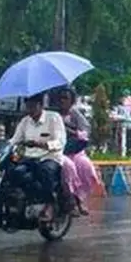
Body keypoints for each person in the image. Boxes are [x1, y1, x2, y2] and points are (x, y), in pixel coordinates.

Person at [9, 93, 68, 222]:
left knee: (45, 170)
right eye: (28, 107)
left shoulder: (54, 118)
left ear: (41, 105)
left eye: (32, 107)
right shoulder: (25, 121)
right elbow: (14, 140)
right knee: (14, 171)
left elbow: (61, 141)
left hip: (50, 157)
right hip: (29, 157)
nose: (29, 110)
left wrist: (44, 145)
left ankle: (49, 204)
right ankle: (22, 201)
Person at [58, 88, 98, 216]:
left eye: (65, 98)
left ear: (72, 101)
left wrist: (72, 132)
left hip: (74, 150)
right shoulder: (53, 115)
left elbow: (85, 133)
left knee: (84, 165)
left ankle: (79, 200)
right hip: (57, 149)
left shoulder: (76, 115)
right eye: (61, 98)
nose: (62, 101)